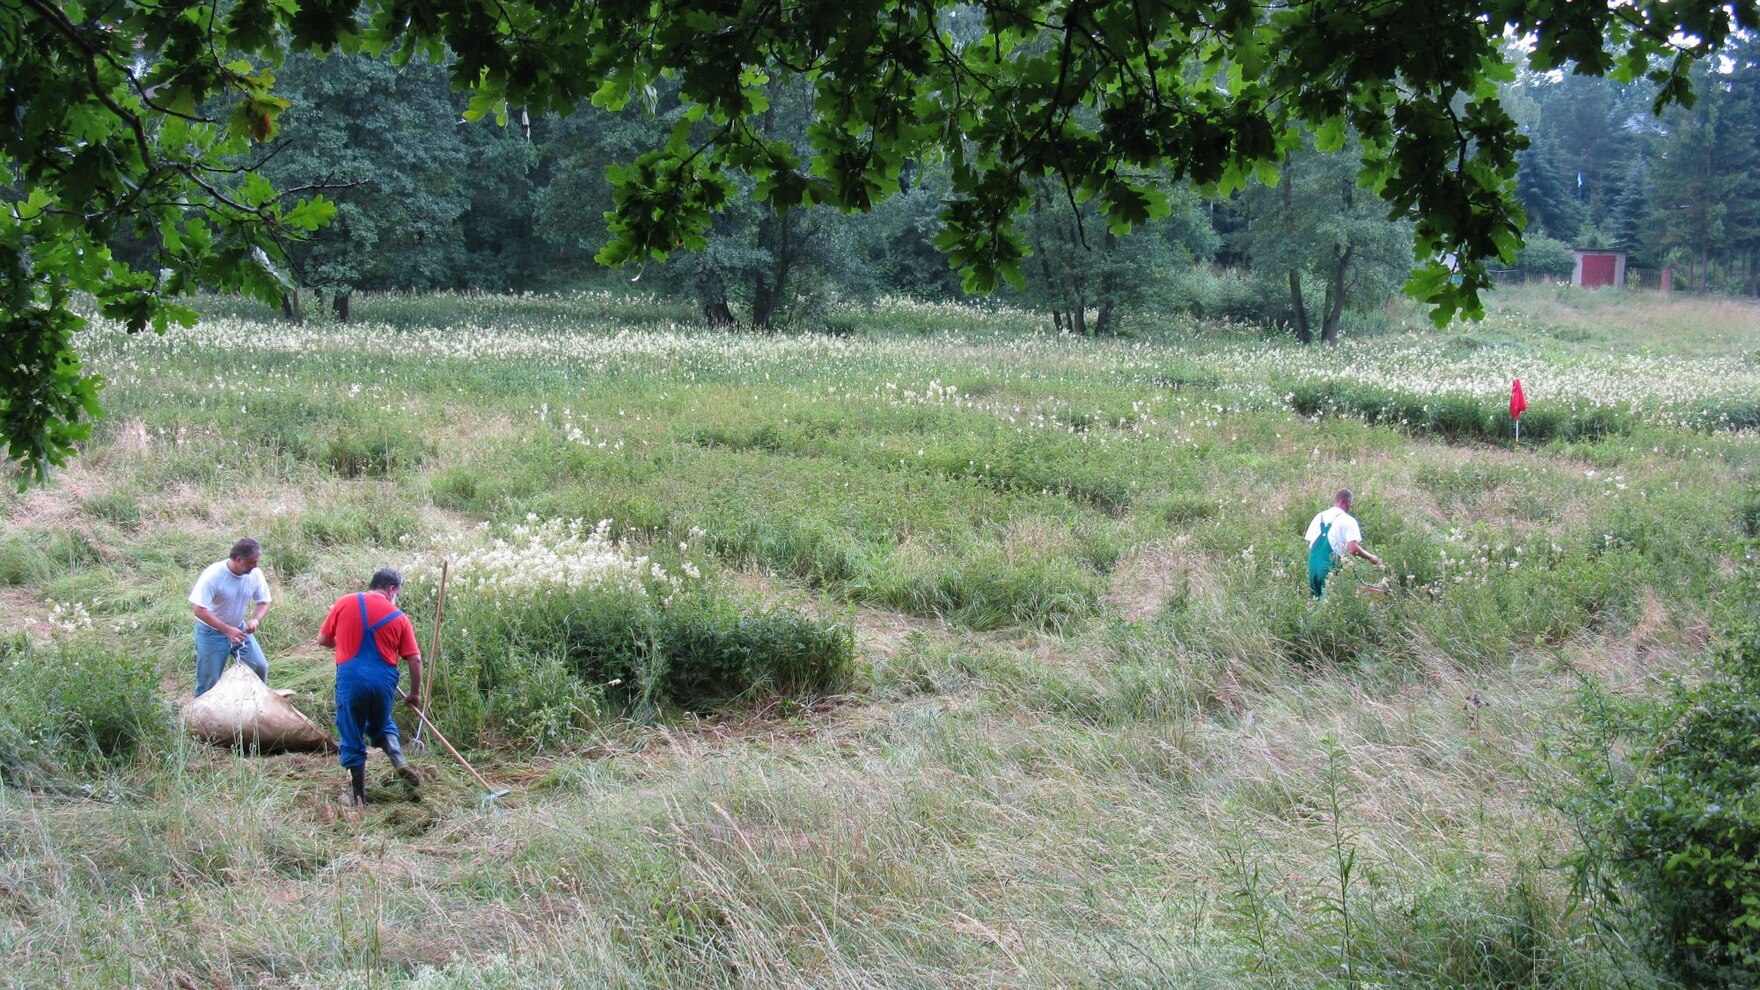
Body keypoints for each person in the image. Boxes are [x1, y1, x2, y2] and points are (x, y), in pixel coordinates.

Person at [318, 567, 424, 806]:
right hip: (384, 680)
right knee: (382, 724)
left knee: (351, 732)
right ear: (391, 589)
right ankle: (398, 759)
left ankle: (358, 799)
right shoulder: (399, 617)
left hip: (351, 678)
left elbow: (323, 640)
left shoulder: (344, 602)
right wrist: (414, 693)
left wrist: (344, 640)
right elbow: (415, 659)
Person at [190, 537, 272, 696]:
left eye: (257, 562)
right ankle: (200, 718)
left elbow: (263, 601)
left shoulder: (255, 573)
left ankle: (255, 704)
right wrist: (227, 630)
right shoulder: (213, 575)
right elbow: (199, 610)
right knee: (208, 682)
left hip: (239, 629)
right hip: (210, 633)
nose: (256, 566)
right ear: (238, 559)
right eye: (252, 562)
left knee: (260, 666)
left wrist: (255, 620)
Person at [1305, 489, 1382, 597]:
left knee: (1315, 601)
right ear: (1348, 502)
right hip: (1329, 567)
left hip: (1313, 564)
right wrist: (1371, 557)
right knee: (1330, 605)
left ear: (1336, 500)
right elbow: (1353, 549)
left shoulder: (1319, 517)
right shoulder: (1348, 520)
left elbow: (1310, 542)